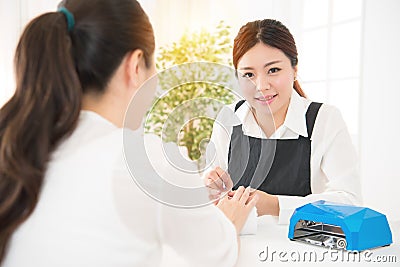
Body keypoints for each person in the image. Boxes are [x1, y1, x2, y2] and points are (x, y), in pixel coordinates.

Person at [0, 1, 257, 266]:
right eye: (153, 65)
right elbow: (217, 256)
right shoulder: (146, 160)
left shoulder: (18, 144)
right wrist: (229, 219)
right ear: (135, 66)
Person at [205, 19, 362, 224]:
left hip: (303, 251)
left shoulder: (325, 119)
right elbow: (211, 198)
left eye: (273, 70)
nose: (261, 86)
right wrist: (209, 187)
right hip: (239, 246)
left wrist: (275, 205)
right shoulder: (228, 119)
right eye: (249, 74)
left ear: (294, 69)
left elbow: (351, 202)